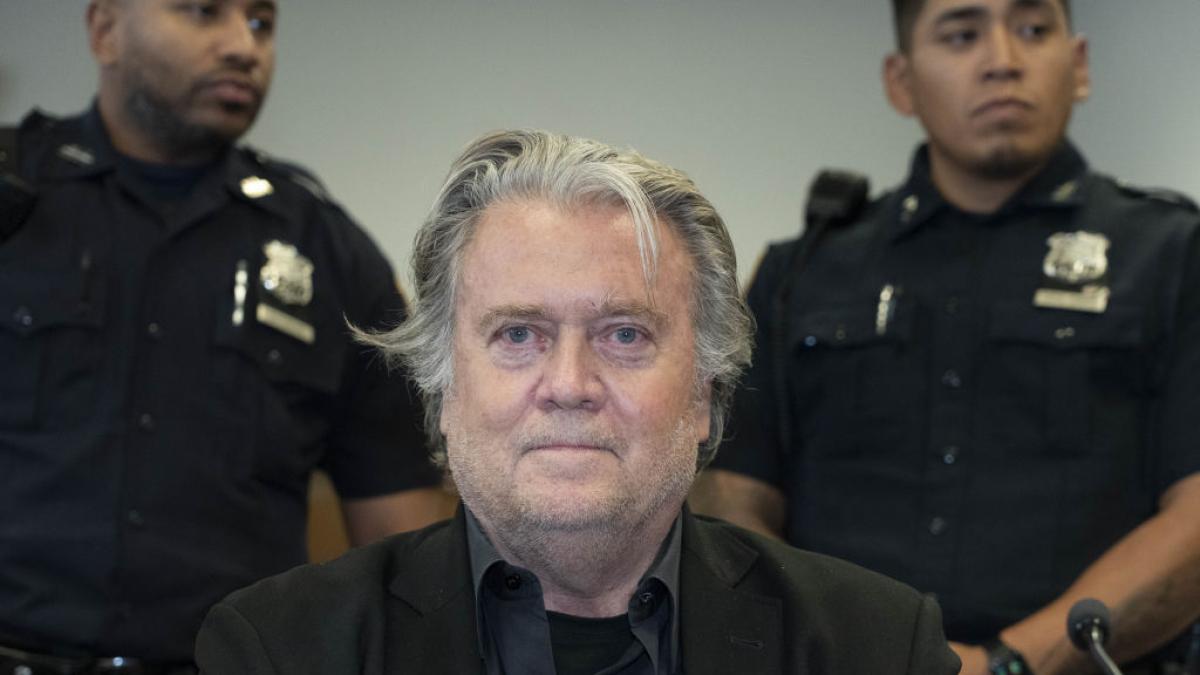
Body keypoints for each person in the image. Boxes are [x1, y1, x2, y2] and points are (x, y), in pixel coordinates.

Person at [193, 129, 961, 674]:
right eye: (518, 334)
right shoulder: (277, 649)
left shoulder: (878, 647)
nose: (568, 384)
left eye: (624, 334)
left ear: (704, 390)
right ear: (443, 388)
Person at [692, 0, 1200, 673]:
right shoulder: (805, 269)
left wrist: (1007, 665)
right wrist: (836, 647)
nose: (1002, 61)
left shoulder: (1172, 255)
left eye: (1033, 29)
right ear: (901, 82)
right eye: (961, 35)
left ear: (1078, 65)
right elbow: (731, 498)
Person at [0, 0, 452, 668]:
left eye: (261, 22)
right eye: (204, 11)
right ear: (105, 30)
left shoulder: (328, 253)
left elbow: (406, 550)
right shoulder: (13, 199)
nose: (244, 44)